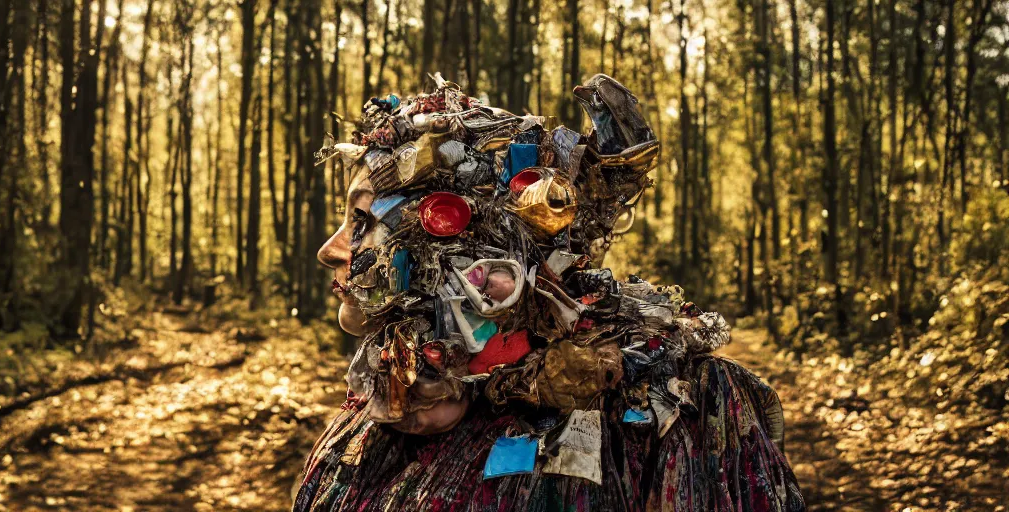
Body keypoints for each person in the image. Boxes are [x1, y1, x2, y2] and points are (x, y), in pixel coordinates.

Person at [293, 74, 804, 511]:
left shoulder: (668, 412)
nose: (330, 250)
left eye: (360, 220)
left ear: (463, 247)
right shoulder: (380, 403)